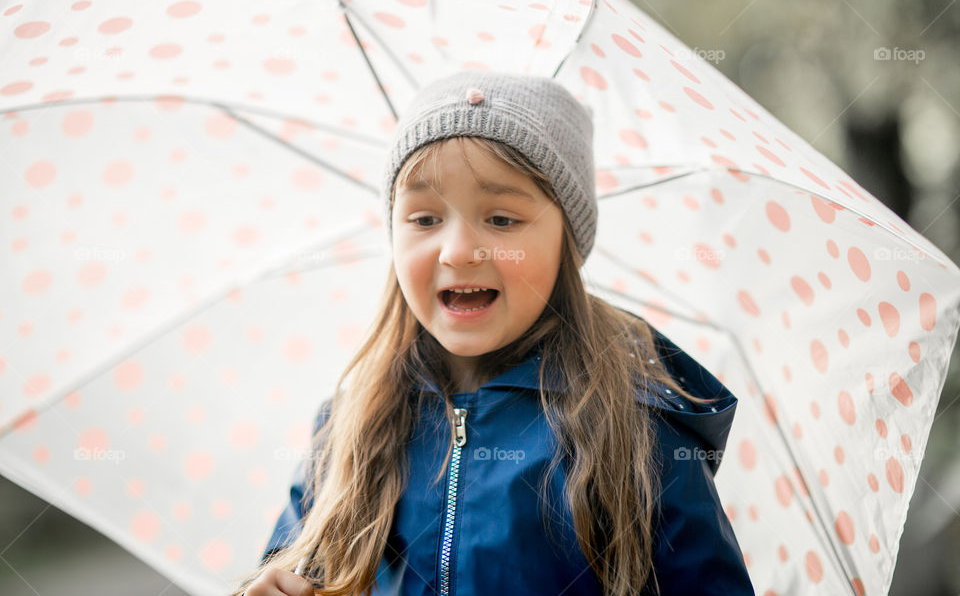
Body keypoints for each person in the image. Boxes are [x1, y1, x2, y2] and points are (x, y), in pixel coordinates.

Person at [233, 71, 755, 596]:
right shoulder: (349, 429)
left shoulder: (636, 431)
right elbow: (295, 569)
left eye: (502, 219)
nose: (458, 250)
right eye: (424, 218)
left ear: (564, 246)